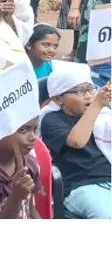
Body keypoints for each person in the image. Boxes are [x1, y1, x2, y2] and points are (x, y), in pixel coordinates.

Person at [38, 61, 111, 219]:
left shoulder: (103, 116)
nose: (88, 95)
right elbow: (77, 141)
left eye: (90, 88)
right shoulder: (52, 120)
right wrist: (96, 105)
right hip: (81, 186)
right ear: (58, 99)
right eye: (79, 91)